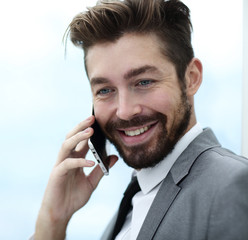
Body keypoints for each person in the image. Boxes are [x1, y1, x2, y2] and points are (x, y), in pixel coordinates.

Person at [33, 0, 248, 239]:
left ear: (191, 78)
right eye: (105, 90)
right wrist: (52, 222)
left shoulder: (233, 186)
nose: (124, 111)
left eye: (144, 82)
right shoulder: (131, 207)